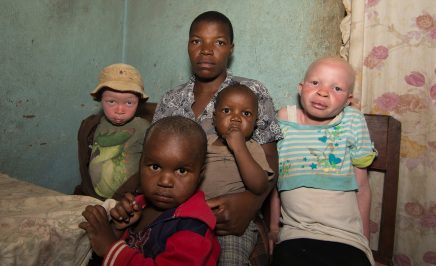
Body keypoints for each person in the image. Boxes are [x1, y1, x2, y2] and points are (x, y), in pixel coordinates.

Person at [152, 10, 282, 264]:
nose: (207, 50)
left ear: (231, 49)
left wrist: (251, 204)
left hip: (227, 211)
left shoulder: (251, 92)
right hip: (178, 209)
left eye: (219, 42)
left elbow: (269, 160)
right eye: (197, 41)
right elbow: (153, 158)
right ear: (188, 46)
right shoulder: (171, 99)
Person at [269, 57, 377, 266]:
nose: (323, 91)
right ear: (301, 88)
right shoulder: (285, 120)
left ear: (348, 100)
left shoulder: (352, 121)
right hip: (295, 234)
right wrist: (274, 227)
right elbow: (276, 180)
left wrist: (364, 241)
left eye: (337, 88)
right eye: (315, 83)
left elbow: (362, 187)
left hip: (346, 237)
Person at [79, 116, 220, 266]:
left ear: (200, 175)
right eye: (155, 167)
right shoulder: (137, 205)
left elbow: (114, 253)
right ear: (140, 164)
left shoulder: (194, 229)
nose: (165, 181)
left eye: (181, 170)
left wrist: (110, 248)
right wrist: (116, 230)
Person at [202, 84, 274, 264]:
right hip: (198, 218)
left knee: (230, 260)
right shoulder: (203, 144)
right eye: (227, 110)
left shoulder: (252, 149)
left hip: (233, 227)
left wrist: (239, 148)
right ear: (214, 117)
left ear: (255, 122)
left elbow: (259, 186)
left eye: (246, 114)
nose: (235, 118)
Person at [74, 63, 150, 201]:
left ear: (139, 102)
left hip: (127, 201)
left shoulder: (144, 127)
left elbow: (153, 164)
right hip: (94, 197)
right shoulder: (93, 126)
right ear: (99, 99)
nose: (120, 110)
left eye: (129, 103)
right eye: (111, 101)